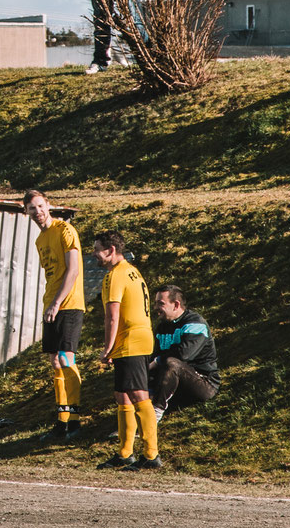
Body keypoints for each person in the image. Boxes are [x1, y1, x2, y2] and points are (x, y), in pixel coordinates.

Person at [23, 190, 86, 438]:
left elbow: (73, 270)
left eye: (40, 206)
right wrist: (50, 304)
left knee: (66, 358)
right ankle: (62, 421)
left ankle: (76, 420)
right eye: (32, 208)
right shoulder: (40, 240)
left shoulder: (65, 231)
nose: (37, 212)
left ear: (48, 206)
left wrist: (58, 302)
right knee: (55, 362)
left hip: (68, 303)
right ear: (26, 212)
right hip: (50, 304)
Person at [92, 231, 158, 471]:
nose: (94, 255)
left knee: (139, 394)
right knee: (122, 396)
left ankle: (151, 454)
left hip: (130, 339)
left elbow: (112, 316)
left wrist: (107, 348)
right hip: (138, 337)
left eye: (97, 250)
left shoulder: (115, 275)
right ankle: (125, 452)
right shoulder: (133, 270)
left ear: (110, 250)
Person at [149, 285, 219, 421]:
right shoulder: (162, 327)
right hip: (171, 383)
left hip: (203, 383)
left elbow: (184, 354)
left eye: (160, 304)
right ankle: (131, 419)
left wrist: (157, 361)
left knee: (171, 363)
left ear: (176, 305)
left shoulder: (195, 323)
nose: (156, 308)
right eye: (155, 303)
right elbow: (154, 357)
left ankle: (152, 417)